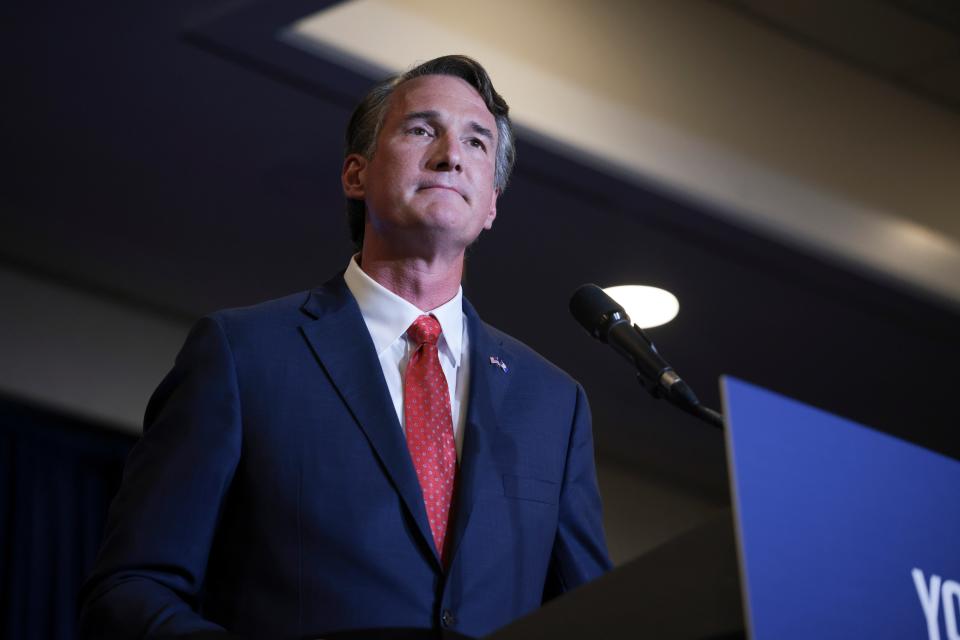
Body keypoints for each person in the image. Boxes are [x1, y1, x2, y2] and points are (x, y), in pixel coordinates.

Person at [80, 54, 611, 640]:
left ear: (490, 206)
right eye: (421, 130)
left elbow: (592, 614)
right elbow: (131, 588)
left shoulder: (553, 406)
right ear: (355, 175)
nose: (451, 155)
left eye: (477, 143)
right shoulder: (243, 355)